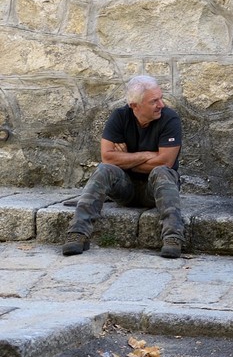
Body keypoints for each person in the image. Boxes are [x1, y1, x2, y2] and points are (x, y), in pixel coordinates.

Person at [63, 75, 184, 259]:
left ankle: (173, 237)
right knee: (104, 170)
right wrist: (145, 155)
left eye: (161, 98)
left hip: (156, 189)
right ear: (135, 105)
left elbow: (165, 162)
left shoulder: (170, 118)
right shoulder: (119, 117)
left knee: (162, 172)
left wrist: (126, 160)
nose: (161, 104)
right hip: (124, 188)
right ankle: (78, 233)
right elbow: (107, 157)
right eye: (154, 101)